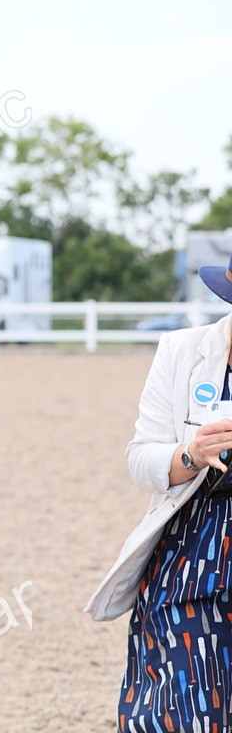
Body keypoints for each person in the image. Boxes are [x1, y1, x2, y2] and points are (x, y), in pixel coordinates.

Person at [86, 256, 232, 731]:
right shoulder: (181, 351)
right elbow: (140, 458)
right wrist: (190, 453)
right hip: (192, 556)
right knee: (181, 709)